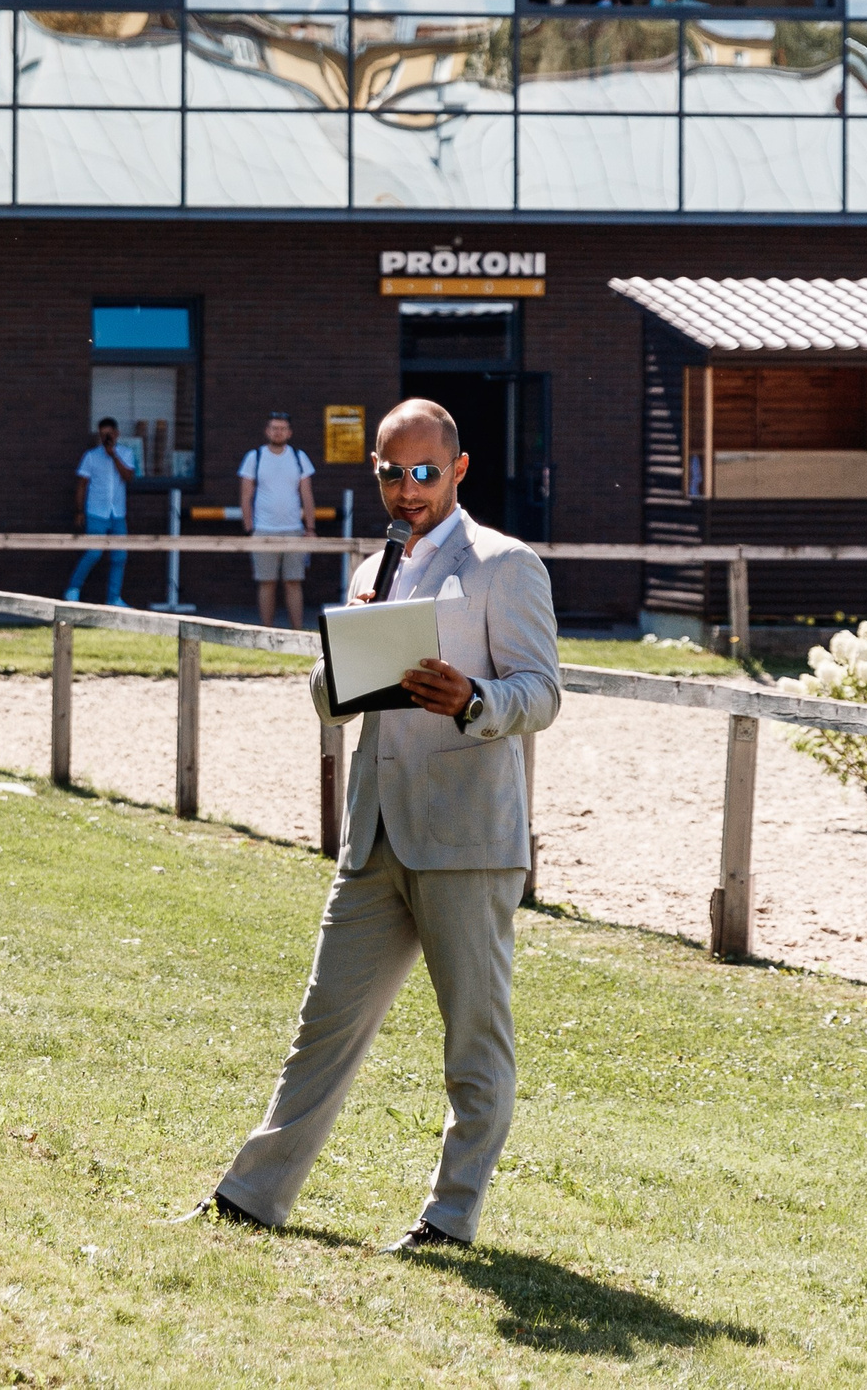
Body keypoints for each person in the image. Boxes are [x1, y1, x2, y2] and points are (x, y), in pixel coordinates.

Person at [182, 398, 561, 1253]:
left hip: (466, 839)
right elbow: (329, 694)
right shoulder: (369, 568)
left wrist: (474, 700)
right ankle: (251, 1197)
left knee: (473, 1039)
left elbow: (542, 692)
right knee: (324, 1023)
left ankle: (449, 1217)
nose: (407, 488)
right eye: (392, 472)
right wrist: (336, 671)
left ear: (459, 470)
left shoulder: (506, 564)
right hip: (373, 837)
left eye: (425, 471)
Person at [240, 412, 318, 629]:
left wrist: (310, 528)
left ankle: (298, 632)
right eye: (274, 428)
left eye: (282, 428)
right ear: (267, 431)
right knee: (267, 583)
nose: (278, 432)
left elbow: (307, 495)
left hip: (294, 530)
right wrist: (250, 530)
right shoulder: (254, 457)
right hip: (263, 531)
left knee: (294, 582)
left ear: (289, 433)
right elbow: (246, 495)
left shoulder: (298, 457)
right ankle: (266, 631)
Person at [67, 417, 135, 606]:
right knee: (94, 552)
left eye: (109, 434)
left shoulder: (126, 453)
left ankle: (114, 598)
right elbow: (81, 485)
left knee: (119, 555)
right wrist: (79, 511)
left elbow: (128, 477)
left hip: (118, 513)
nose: (106, 438)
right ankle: (73, 589)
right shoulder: (91, 456)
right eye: (103, 435)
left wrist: (113, 455)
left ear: (117, 434)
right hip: (96, 512)